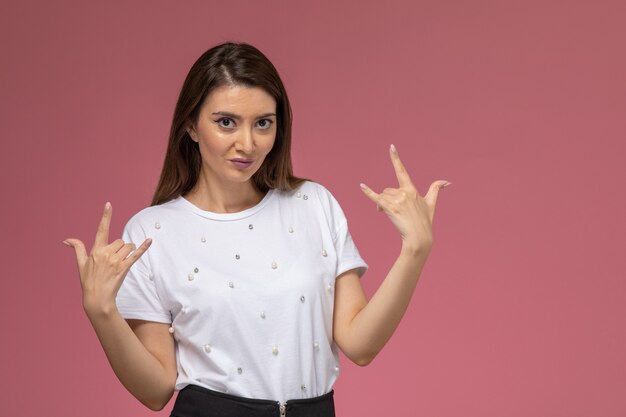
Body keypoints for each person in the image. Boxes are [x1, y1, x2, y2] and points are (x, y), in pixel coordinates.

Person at [64, 42, 450, 417]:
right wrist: (102, 312)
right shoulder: (153, 231)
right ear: (191, 126)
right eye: (226, 122)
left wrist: (415, 249)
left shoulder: (313, 205)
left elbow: (361, 345)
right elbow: (155, 390)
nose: (246, 143)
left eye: (263, 123)